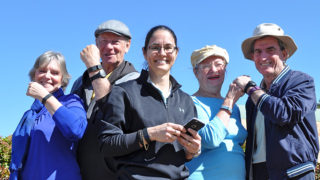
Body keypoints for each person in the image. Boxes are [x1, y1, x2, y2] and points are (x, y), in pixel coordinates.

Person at [95, 25, 201, 179]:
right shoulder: (123, 92)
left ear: (176, 53)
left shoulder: (186, 101)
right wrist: (150, 134)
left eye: (168, 48)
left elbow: (184, 157)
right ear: (145, 53)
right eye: (155, 47)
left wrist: (192, 151)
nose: (162, 53)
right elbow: (107, 144)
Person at [235, 23, 319, 179]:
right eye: (258, 52)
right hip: (259, 172)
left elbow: (284, 113)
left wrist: (251, 89)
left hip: (294, 173)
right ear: (253, 57)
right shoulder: (252, 98)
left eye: (270, 50)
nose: (263, 57)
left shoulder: (302, 81)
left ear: (284, 53)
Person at [70, 19, 139, 179]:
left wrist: (94, 67)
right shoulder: (80, 83)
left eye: (115, 42)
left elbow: (110, 109)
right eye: (103, 42)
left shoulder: (137, 81)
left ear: (127, 46)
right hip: (82, 171)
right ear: (96, 45)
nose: (109, 47)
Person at [9, 51, 87, 179]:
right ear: (34, 75)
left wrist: (45, 97)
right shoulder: (29, 114)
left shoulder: (71, 101)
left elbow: (76, 130)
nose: (47, 76)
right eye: (42, 71)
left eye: (55, 73)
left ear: (63, 79)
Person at [185, 45, 247, 179]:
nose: (213, 70)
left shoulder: (234, 108)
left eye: (219, 64)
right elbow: (209, 140)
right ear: (196, 73)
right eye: (206, 66)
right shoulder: (188, 102)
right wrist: (229, 99)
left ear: (225, 70)